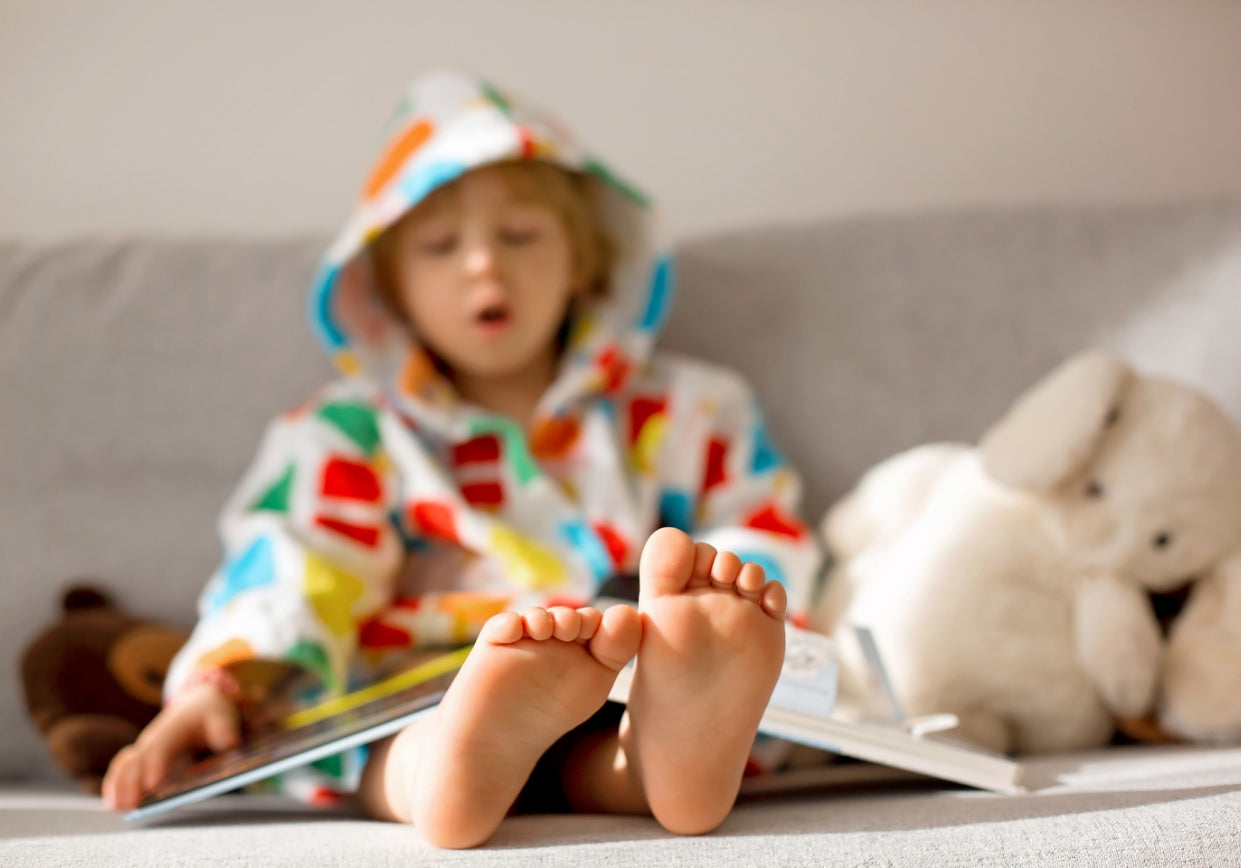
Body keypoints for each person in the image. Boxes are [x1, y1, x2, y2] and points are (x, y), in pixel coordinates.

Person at [102, 70, 820, 848]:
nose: (482, 264)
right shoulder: (350, 433)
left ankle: (665, 757)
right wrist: (220, 680)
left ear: (581, 261)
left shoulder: (687, 408)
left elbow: (754, 523)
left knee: (628, 723)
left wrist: (714, 619)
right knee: (392, 746)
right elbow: (295, 559)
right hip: (415, 687)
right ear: (392, 291)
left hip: (624, 672)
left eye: (519, 235)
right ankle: (454, 769)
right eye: (441, 246)